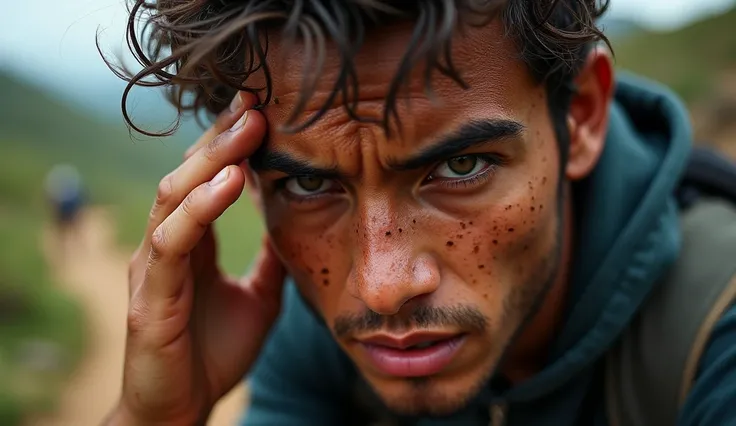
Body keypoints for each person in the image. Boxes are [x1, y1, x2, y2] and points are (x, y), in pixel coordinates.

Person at [102, 1, 736, 425]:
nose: (381, 290)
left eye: (460, 168)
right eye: (307, 185)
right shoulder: (313, 327)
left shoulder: (715, 326)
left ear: (582, 114)